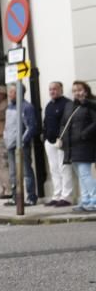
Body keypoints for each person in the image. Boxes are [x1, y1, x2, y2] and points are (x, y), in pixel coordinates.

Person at [61, 81, 96, 212]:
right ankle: (86, 199)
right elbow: (64, 124)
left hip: (85, 144)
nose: (77, 93)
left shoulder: (91, 104)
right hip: (71, 145)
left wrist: (84, 133)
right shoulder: (70, 105)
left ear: (86, 91)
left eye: (80, 90)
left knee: (85, 174)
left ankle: (94, 199)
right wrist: (63, 139)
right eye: (74, 90)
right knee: (80, 175)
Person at [3, 82, 38, 206]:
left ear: (19, 93)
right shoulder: (9, 107)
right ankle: (15, 197)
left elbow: (31, 127)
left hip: (22, 146)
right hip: (10, 145)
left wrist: (22, 141)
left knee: (26, 171)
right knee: (13, 173)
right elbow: (7, 126)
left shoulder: (26, 107)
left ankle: (31, 197)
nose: (9, 94)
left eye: (11, 92)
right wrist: (6, 138)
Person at [42, 81, 74, 206]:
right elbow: (45, 122)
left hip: (62, 142)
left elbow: (68, 123)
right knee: (54, 169)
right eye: (50, 89)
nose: (52, 91)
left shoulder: (67, 103)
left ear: (61, 89)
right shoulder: (49, 105)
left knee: (64, 168)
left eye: (55, 89)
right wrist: (44, 136)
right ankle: (57, 195)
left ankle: (66, 197)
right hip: (49, 142)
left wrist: (62, 138)